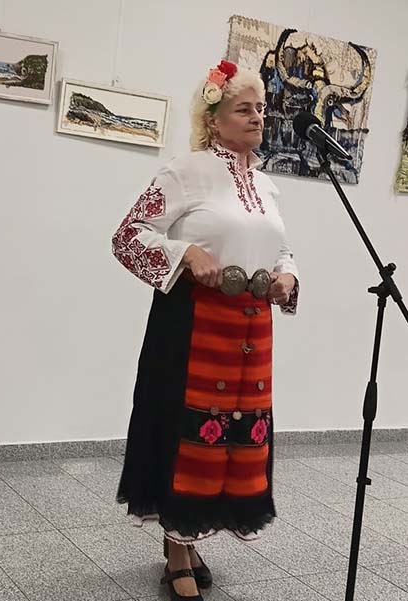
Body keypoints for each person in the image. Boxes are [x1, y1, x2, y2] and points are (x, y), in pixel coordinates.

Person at [111, 59, 299, 601]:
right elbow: (128, 236)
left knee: (232, 439)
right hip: (192, 327)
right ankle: (177, 548)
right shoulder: (184, 172)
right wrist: (185, 252)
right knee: (188, 432)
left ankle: (191, 536)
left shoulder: (266, 185)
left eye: (261, 108)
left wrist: (288, 275)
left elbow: (281, 247)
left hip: (250, 333)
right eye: (244, 109)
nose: (258, 117)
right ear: (213, 118)